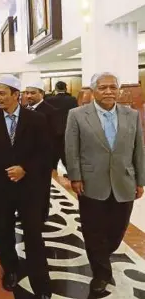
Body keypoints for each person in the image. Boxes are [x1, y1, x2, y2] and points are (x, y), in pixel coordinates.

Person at [65, 72, 144, 295]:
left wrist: (141, 180)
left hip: (124, 181)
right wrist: (75, 176)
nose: (109, 91)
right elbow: (72, 149)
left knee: (117, 230)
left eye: (113, 87)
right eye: (103, 87)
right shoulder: (77, 115)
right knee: (93, 230)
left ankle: (102, 254)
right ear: (93, 90)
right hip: (91, 182)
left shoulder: (131, 115)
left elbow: (139, 149)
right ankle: (100, 273)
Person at [0, 75, 52, 299]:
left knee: (33, 234)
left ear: (16, 95)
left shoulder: (37, 119)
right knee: (3, 233)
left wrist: (25, 168)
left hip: (29, 188)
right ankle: (11, 270)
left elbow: (46, 154)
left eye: (2, 93)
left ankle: (41, 282)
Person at [25, 80, 60, 222]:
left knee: (42, 191)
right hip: (26, 160)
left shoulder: (51, 111)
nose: (29, 96)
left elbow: (55, 139)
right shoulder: (25, 109)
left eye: (32, 93)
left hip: (43, 161)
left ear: (42, 94)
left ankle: (41, 217)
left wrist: (52, 163)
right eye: (26, 93)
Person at [45, 81, 78, 169]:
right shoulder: (72, 99)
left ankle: (52, 179)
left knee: (52, 160)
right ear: (66, 88)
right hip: (68, 131)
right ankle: (72, 177)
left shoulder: (48, 100)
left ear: (55, 89)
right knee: (68, 157)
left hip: (52, 133)